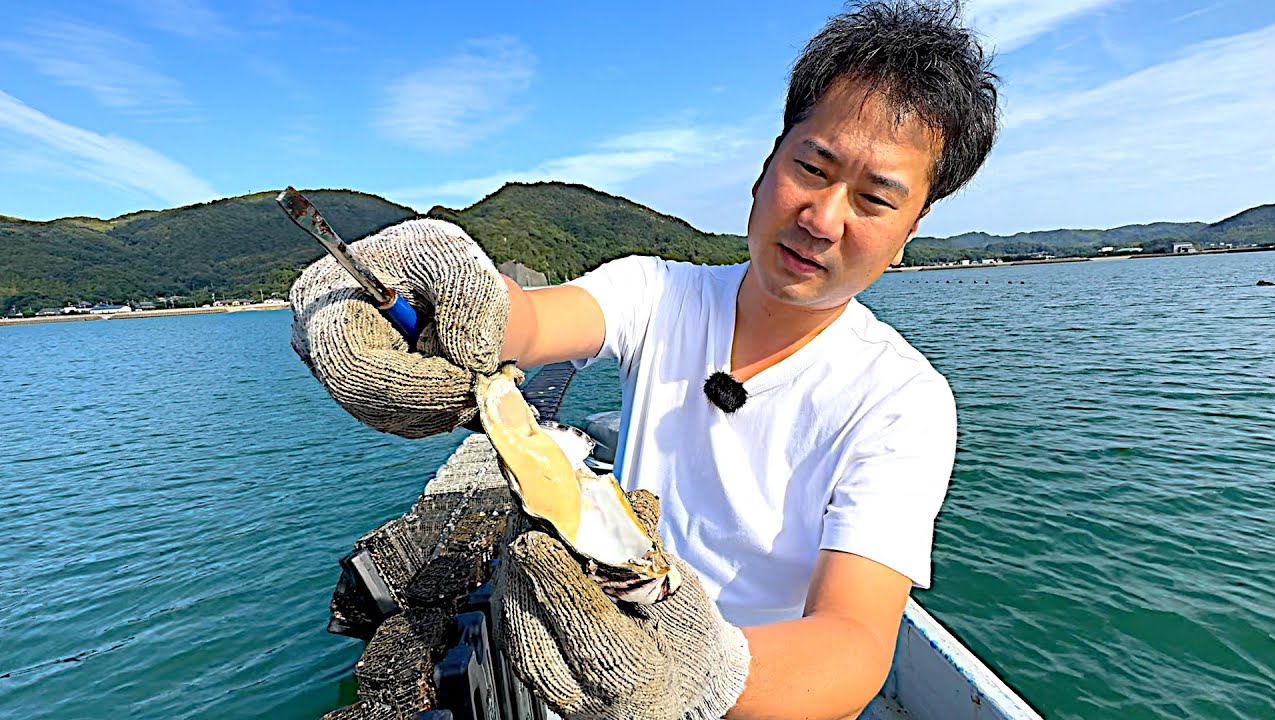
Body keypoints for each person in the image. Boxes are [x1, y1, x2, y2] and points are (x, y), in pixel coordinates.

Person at [289, 2, 999, 718]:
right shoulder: (657, 292)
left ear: (913, 228)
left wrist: (701, 673)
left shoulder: (903, 400)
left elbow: (854, 644)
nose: (822, 218)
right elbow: (523, 320)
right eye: (812, 167)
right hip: (594, 674)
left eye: (875, 199)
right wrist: (424, 285)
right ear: (766, 168)